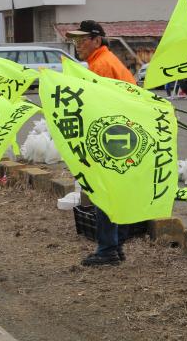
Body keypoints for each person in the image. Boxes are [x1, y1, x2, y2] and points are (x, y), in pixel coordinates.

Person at [65, 20, 136, 267]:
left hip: (110, 137)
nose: (77, 46)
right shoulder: (104, 61)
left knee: (104, 194)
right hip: (121, 135)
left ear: (97, 40)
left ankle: (108, 248)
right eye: (74, 41)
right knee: (115, 194)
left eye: (81, 40)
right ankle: (115, 245)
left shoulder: (101, 65)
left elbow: (97, 106)